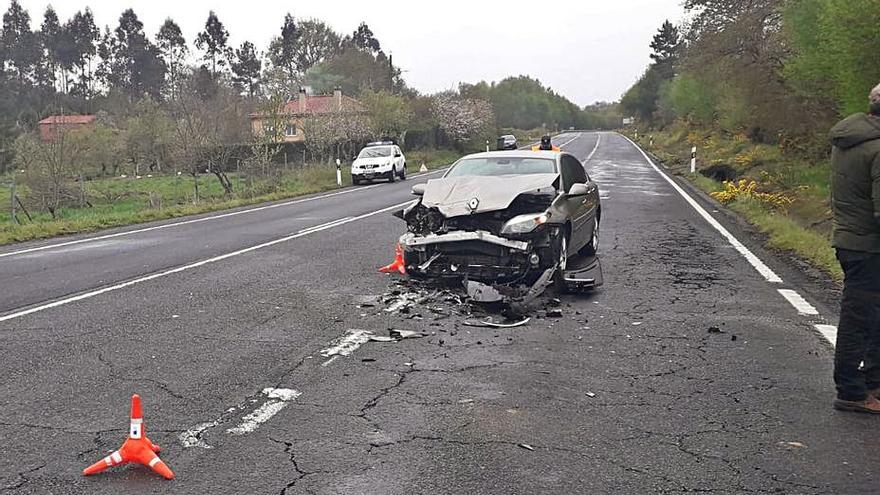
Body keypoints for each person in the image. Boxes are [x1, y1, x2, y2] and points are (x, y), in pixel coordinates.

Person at [829, 82, 880, 413]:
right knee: (860, 319)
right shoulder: (877, 147)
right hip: (869, 246)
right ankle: (851, 390)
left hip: (849, 239)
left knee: (869, 316)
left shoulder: (850, 138)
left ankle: (871, 383)